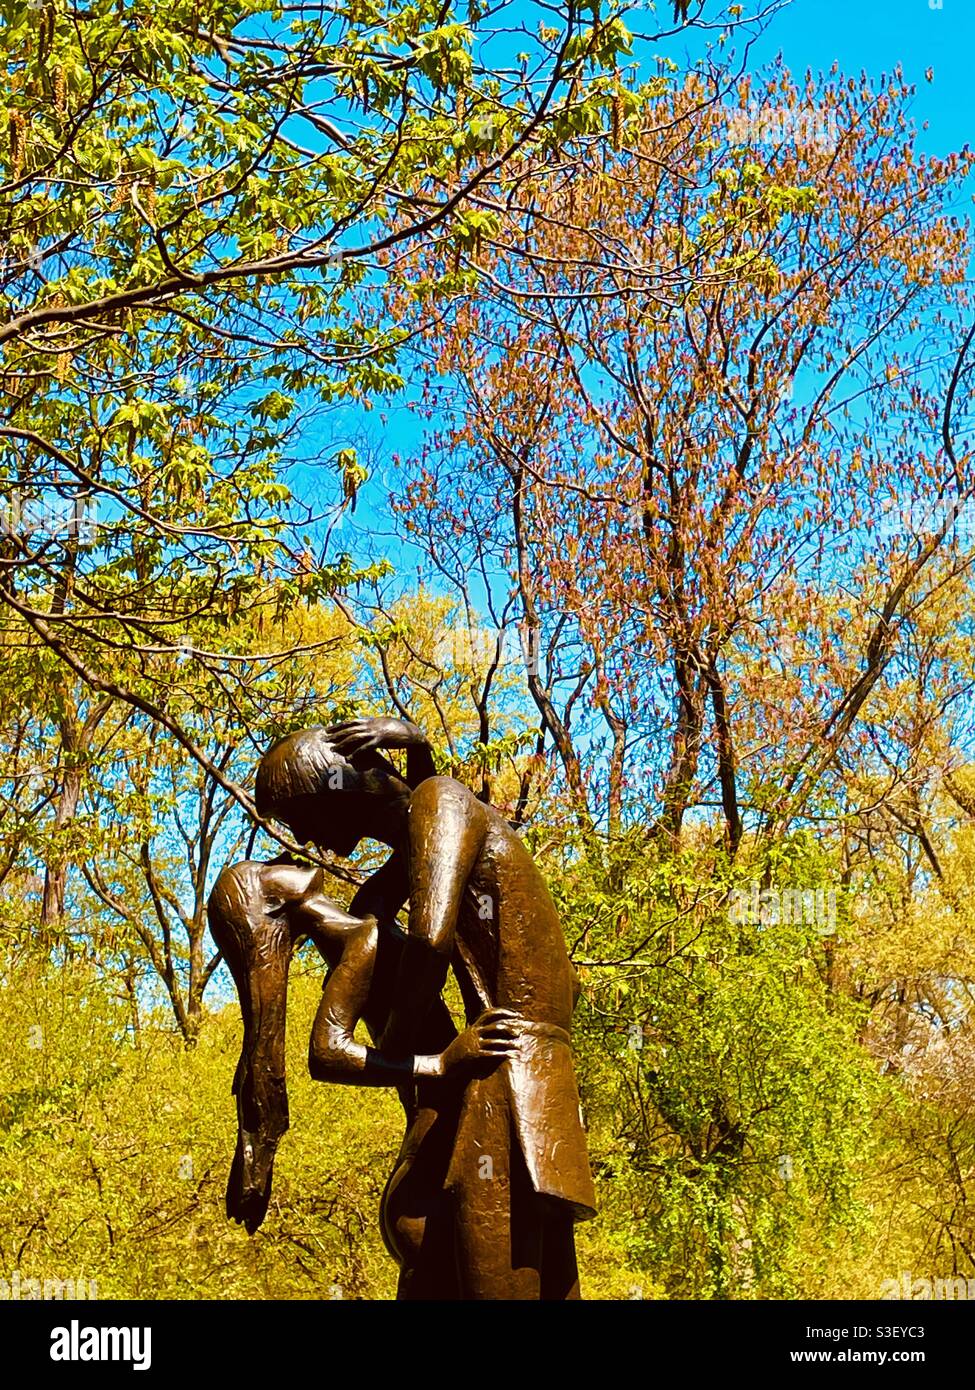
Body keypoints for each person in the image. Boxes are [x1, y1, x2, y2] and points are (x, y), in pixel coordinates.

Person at [253, 717, 597, 1299]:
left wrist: (400, 1056)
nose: (307, 840)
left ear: (331, 789)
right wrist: (418, 749)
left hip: (501, 1074)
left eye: (300, 818)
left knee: (488, 1276)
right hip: (540, 1075)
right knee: (540, 1281)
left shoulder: (441, 803)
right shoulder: (436, 814)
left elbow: (431, 939)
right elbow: (377, 903)